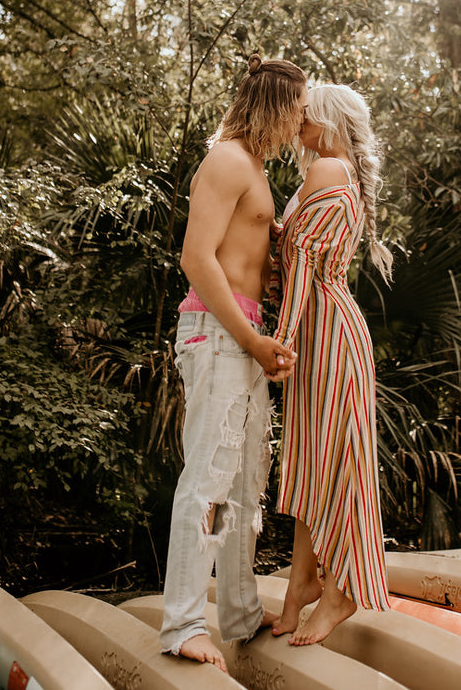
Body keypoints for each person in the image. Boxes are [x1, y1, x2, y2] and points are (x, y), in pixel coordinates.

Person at [160, 54, 308, 672]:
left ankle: (242, 614)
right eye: (298, 110)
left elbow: (247, 260)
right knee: (209, 479)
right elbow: (198, 258)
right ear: (276, 104)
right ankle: (183, 625)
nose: (302, 124)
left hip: (243, 333)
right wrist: (251, 340)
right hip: (217, 333)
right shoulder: (225, 160)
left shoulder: (256, 170)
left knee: (247, 480)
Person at [269, 83, 393, 645]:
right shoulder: (335, 173)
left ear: (328, 121)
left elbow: (301, 261)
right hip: (324, 328)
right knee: (311, 459)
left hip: (325, 333)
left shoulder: (326, 170)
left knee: (337, 461)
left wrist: (283, 337)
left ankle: (339, 591)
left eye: (306, 116)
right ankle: (301, 585)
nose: (297, 123)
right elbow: (294, 248)